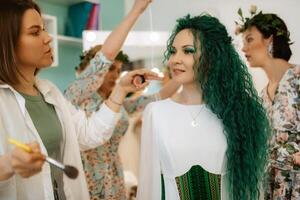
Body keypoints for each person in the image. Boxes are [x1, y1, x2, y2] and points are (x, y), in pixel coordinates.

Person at [0, 0, 158, 199]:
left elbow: (88, 134)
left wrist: (120, 90)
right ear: (6, 42)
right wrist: (7, 165)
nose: (48, 38)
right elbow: (104, 58)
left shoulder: (50, 93)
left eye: (43, 30)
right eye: (35, 32)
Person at [137, 14, 270, 200]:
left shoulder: (237, 114)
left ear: (212, 57)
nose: (175, 59)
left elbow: (248, 188)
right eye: (173, 51)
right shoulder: (156, 113)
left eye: (188, 51)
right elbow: (149, 187)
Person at [64, 44, 179, 200]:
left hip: (114, 173)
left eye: (118, 70)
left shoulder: (119, 102)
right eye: (111, 69)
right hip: (88, 174)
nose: (115, 75)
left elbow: (158, 96)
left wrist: (182, 76)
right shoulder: (78, 98)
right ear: (95, 69)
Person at [240, 11, 300, 199]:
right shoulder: (262, 96)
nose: (243, 48)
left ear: (269, 40)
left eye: (249, 40)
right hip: (271, 188)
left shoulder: (298, 78)